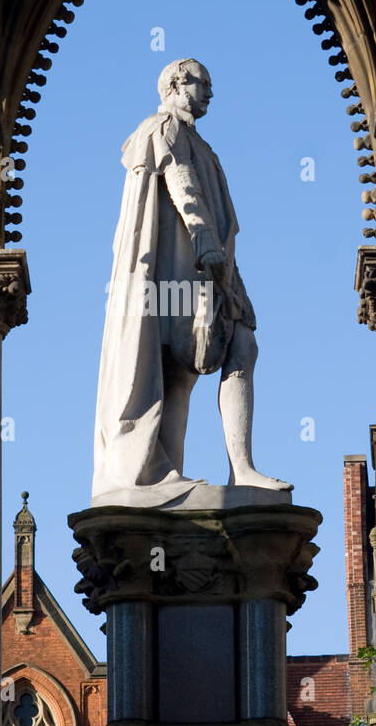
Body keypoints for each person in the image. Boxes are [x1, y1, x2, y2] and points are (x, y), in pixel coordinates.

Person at [92, 57, 291, 502]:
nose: (210, 93)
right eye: (204, 83)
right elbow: (181, 183)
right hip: (175, 270)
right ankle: (160, 473)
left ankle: (241, 468)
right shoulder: (162, 127)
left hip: (211, 270)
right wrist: (203, 239)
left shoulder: (203, 145)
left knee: (241, 344)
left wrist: (221, 261)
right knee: (173, 367)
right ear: (177, 83)